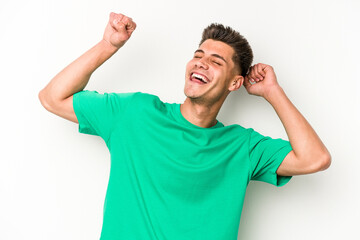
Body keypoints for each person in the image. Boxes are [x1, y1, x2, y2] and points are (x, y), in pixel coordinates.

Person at [39, 12, 331, 240]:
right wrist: (108, 45)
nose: (201, 63)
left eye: (216, 61)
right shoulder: (136, 113)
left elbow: (314, 158)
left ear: (235, 82)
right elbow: (52, 97)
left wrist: (272, 92)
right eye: (198, 55)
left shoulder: (242, 147)